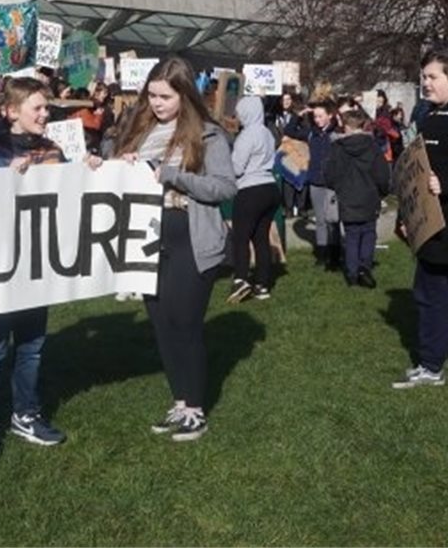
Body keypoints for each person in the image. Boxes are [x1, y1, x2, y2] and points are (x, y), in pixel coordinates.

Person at [95, 57, 236, 441]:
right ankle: (180, 401)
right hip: (147, 237)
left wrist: (172, 175)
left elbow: (224, 187)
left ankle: (195, 409)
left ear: (184, 94)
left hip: (190, 235)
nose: (156, 103)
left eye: (165, 96)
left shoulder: (208, 135)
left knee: (185, 323)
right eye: (151, 95)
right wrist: (105, 166)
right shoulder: (138, 130)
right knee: (161, 325)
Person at [0, 77, 67, 459]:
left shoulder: (55, 148)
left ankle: (26, 413)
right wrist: (1, 172)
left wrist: (91, 168)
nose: (45, 114)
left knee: (32, 346)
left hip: (38, 263)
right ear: (11, 111)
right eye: (37, 108)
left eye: (46, 108)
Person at [393, 47, 448, 388]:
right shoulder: (425, 118)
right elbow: (411, 172)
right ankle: (430, 364)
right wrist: (405, 214)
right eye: (423, 77)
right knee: (429, 295)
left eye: (433, 77)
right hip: (432, 232)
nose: (425, 83)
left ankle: (430, 364)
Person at [326, 108, 390, 289]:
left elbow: (330, 174)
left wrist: (337, 187)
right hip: (369, 196)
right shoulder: (373, 147)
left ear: (346, 126)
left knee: (352, 235)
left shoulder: (337, 149)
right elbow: (382, 174)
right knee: (369, 233)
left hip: (347, 197)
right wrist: (383, 191)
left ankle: (353, 273)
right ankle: (364, 268)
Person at [227, 97, 283, 303]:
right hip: (270, 186)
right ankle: (262, 284)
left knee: (241, 237)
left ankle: (241, 279)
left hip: (250, 189)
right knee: (261, 238)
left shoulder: (246, 136)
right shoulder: (267, 133)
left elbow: (237, 168)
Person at [286, 100, 342, 271]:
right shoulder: (311, 133)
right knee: (320, 220)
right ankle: (322, 253)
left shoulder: (336, 134)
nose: (317, 120)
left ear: (329, 116)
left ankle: (335, 255)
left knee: (333, 220)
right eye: (315, 116)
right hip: (316, 182)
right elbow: (289, 131)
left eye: (320, 116)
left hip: (332, 184)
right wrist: (299, 115)